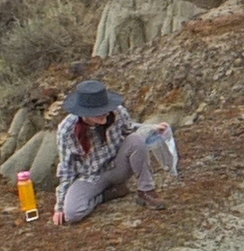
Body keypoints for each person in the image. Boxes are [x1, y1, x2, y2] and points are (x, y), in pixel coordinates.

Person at [53, 79, 177, 225]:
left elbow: (130, 131)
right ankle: (108, 194)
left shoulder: (118, 112)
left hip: (117, 166)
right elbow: (67, 169)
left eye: (105, 108)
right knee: (72, 214)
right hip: (89, 177)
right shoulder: (67, 130)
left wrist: (153, 128)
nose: (104, 113)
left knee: (136, 140)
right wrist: (60, 206)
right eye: (97, 112)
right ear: (84, 113)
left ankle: (146, 191)